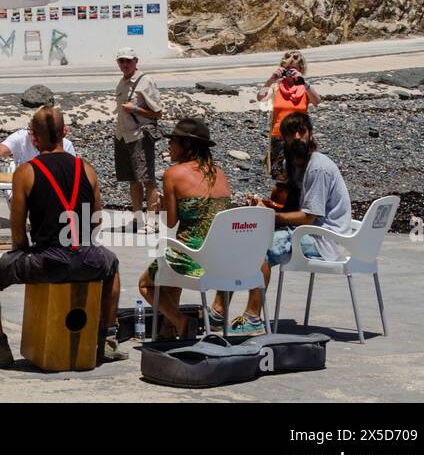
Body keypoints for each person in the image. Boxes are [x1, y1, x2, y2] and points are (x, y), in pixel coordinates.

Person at [0, 106, 126, 368]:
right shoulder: (86, 168)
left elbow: (18, 230)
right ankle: (108, 340)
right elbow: (96, 216)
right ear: (64, 133)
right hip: (88, 256)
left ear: (33, 137)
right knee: (113, 264)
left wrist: (21, 254)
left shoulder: (25, 172)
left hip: (48, 260)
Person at [216, 111, 352, 335]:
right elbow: (290, 204)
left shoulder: (317, 167)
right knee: (240, 244)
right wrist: (268, 206)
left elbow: (309, 216)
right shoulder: (293, 164)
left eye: (302, 131)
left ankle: (252, 317)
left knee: (258, 250)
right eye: (291, 133)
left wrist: (270, 217)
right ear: (284, 138)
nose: (297, 137)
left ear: (310, 134)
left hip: (324, 237)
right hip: (307, 230)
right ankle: (219, 310)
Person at [138, 118, 232, 338]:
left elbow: (171, 222)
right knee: (172, 262)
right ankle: (167, 329)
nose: (169, 145)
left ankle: (180, 321)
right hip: (221, 260)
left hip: (192, 259)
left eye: (174, 141)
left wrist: (161, 206)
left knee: (145, 284)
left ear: (187, 145)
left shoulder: (174, 174)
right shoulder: (220, 173)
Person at [113, 47, 163, 234]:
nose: (124, 65)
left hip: (139, 135)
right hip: (122, 136)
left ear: (136, 61)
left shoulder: (145, 81)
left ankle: (151, 222)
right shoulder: (121, 82)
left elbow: (158, 112)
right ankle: (138, 219)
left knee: (147, 178)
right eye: (121, 61)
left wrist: (135, 109)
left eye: (128, 61)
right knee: (132, 180)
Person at [258, 50, 321, 184]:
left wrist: (304, 82)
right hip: (279, 137)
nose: (289, 73)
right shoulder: (276, 87)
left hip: (300, 137)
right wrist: (271, 79)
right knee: (281, 177)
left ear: (300, 70)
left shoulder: (304, 89)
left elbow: (317, 101)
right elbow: (261, 98)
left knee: (301, 175)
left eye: (293, 70)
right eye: (286, 69)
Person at [0, 105, 77, 167]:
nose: (32, 135)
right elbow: (1, 149)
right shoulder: (22, 137)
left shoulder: (66, 145)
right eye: (30, 129)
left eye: (35, 131)